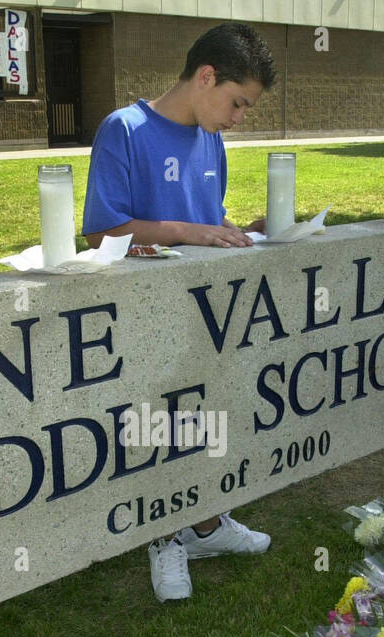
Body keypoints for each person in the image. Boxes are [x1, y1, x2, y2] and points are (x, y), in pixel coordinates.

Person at [81, 23, 276, 602]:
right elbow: (102, 231)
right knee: (160, 421)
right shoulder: (126, 129)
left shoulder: (211, 138)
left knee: (211, 411)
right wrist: (193, 230)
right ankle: (165, 537)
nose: (239, 118)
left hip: (207, 312)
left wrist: (237, 230)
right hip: (142, 314)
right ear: (206, 76)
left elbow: (203, 220)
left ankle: (209, 524)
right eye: (238, 103)